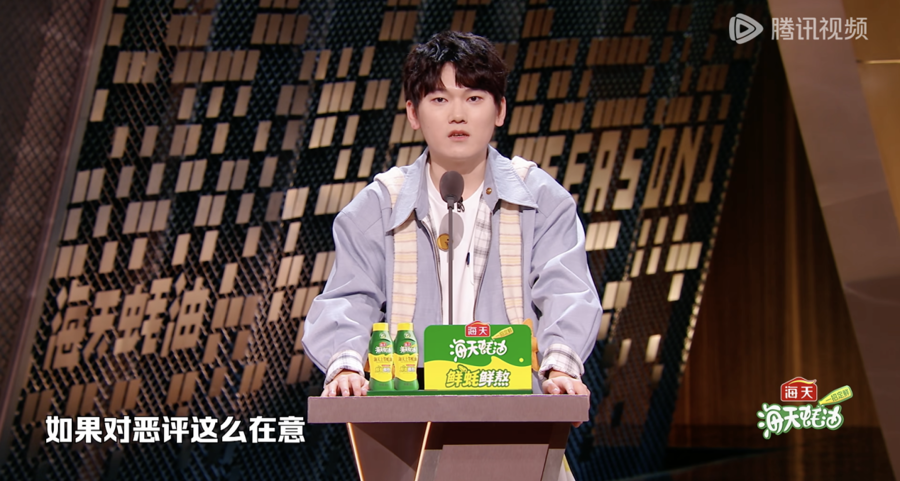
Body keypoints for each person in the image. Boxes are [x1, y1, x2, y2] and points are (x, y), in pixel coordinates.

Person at [302, 31, 601, 401]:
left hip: (516, 404)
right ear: (413, 113)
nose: (458, 114)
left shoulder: (540, 199)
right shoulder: (379, 204)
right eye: (439, 99)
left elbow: (566, 290)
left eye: (474, 98)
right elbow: (348, 298)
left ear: (500, 110)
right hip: (408, 406)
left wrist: (560, 367)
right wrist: (346, 365)